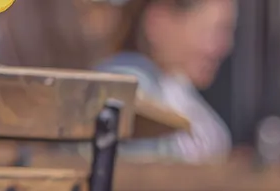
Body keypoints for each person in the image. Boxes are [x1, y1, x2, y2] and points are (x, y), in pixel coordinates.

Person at [97, 0, 237, 160]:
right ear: (158, 22)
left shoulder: (178, 87)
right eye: (210, 32)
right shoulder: (125, 84)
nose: (223, 47)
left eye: (228, 33)